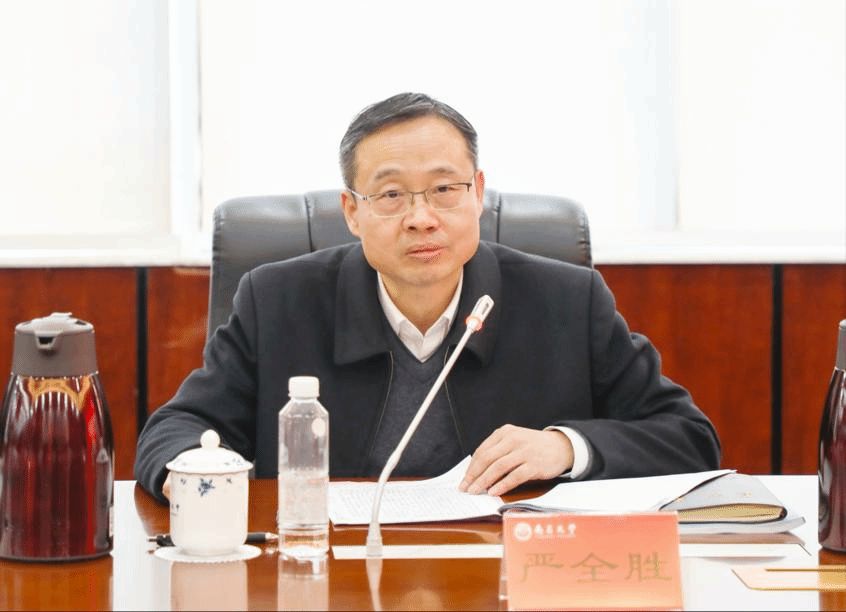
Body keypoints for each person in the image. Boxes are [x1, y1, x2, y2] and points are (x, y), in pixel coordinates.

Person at [135, 92, 720, 503]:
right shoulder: (277, 300)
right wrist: (202, 482)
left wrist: (565, 448)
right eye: (391, 195)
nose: (422, 218)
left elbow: (689, 438)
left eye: (445, 189)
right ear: (352, 212)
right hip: (327, 571)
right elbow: (176, 430)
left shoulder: (567, 300)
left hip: (505, 576)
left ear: (479, 193)